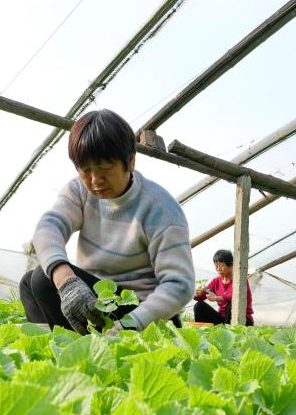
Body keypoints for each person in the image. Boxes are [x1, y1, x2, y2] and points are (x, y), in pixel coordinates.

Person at [20, 109, 195, 334]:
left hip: (141, 313)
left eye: (104, 169)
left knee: (42, 281)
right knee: (30, 282)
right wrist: (67, 282)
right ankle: (59, 346)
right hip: (99, 300)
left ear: (130, 161)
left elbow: (179, 285)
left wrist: (129, 325)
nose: (95, 181)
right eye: (86, 171)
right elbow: (49, 226)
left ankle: (82, 348)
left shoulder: (159, 208)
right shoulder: (79, 191)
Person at [193, 249, 254, 326]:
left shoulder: (240, 280)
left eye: (221, 266)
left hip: (243, 320)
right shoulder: (216, 281)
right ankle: (202, 332)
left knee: (232, 304)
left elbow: (234, 296)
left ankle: (231, 331)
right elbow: (204, 294)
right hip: (223, 320)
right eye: (216, 266)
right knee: (199, 306)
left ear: (231, 265)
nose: (218, 269)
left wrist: (216, 298)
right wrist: (197, 294)